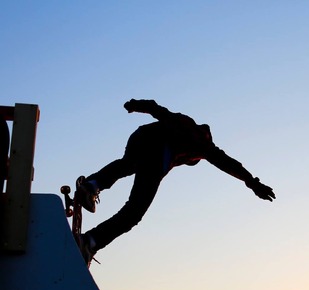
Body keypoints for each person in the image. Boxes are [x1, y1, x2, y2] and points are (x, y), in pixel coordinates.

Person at [75, 99, 275, 265]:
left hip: (140, 136)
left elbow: (158, 109)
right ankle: (91, 241)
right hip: (158, 150)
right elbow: (228, 163)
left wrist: (136, 105)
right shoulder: (205, 146)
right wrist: (253, 183)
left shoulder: (185, 121)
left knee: (128, 164)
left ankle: (91, 185)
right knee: (134, 211)